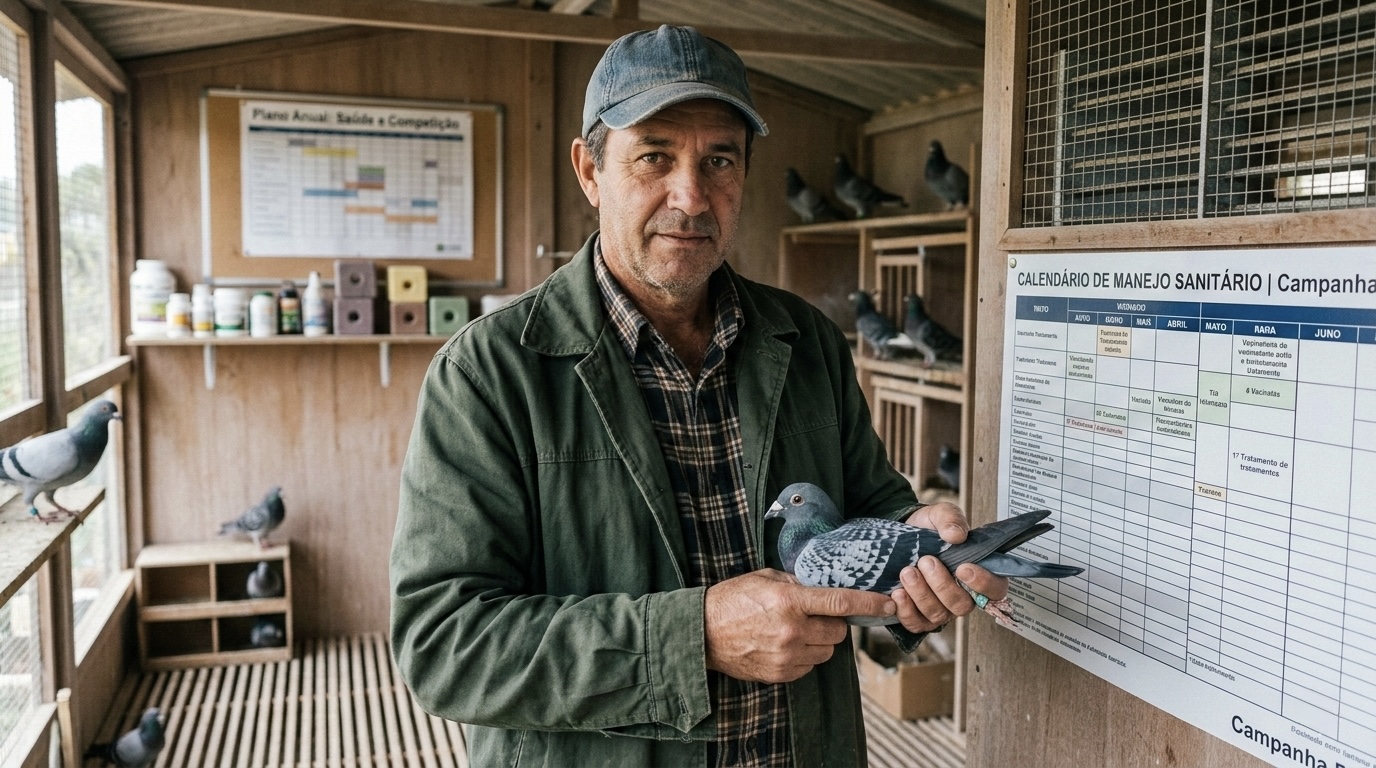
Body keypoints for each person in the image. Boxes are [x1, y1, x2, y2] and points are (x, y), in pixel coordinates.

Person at [390, 24, 1007, 767]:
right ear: (590, 171)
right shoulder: (492, 374)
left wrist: (918, 542)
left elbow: (871, 503)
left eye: (719, 159)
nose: (691, 196)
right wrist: (696, 636)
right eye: (655, 156)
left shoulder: (805, 342)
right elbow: (442, 644)